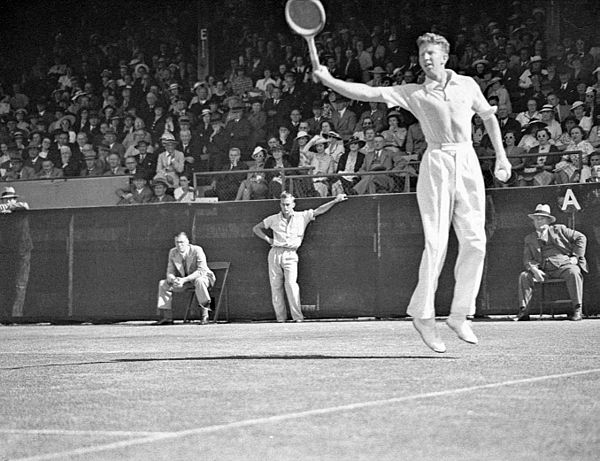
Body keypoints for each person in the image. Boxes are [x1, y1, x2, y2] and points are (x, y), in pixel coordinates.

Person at [314, 32, 512, 353]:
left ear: (445, 57)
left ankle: (461, 314)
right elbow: (368, 92)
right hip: (435, 161)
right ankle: (423, 315)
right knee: (436, 242)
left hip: (467, 160)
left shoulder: (468, 85)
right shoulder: (414, 92)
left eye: (432, 54)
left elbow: (489, 118)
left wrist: (501, 156)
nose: (427, 59)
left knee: (475, 240)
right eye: (422, 55)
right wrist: (330, 80)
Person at [252, 192, 347, 322]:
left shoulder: (302, 216)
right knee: (275, 287)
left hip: (291, 254)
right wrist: (269, 240)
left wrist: (336, 200)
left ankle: (298, 318)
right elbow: (256, 228)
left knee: (291, 285)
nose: (285, 207)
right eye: (283, 204)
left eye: (287, 204)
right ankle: (281, 319)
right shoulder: (273, 218)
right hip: (275, 253)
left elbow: (319, 210)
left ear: (293, 204)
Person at [516, 204, 587, 322]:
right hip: (543, 270)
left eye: (542, 218)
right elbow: (527, 259)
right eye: (536, 219)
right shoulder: (529, 238)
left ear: (548, 220)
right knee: (524, 276)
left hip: (563, 267)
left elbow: (581, 237)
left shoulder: (559, 230)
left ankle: (577, 309)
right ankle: (524, 312)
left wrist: (576, 257)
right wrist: (535, 270)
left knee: (574, 272)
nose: (539, 221)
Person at [156, 232, 216, 325]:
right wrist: (174, 280)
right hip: (186, 282)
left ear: (187, 242)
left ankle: (205, 316)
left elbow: (201, 270)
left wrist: (184, 280)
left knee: (199, 281)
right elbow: (170, 272)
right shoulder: (173, 252)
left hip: (204, 278)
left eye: (181, 242)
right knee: (163, 284)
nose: (179, 245)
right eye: (177, 243)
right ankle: (167, 318)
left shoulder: (197, 250)